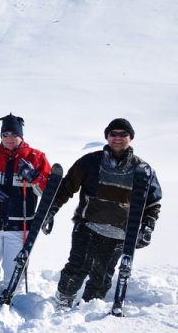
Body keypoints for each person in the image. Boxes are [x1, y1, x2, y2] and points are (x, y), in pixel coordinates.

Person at [43, 118, 162, 307]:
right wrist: (50, 211)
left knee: (102, 275)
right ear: (107, 136)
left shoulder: (142, 170)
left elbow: (153, 203)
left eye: (123, 134)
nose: (118, 138)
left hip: (120, 233)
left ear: (131, 138)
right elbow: (66, 188)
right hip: (87, 226)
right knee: (76, 267)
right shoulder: (90, 161)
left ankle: (90, 308)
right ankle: (62, 303)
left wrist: (147, 227)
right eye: (113, 134)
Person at [0, 114, 52, 297]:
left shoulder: (37, 157)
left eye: (13, 134)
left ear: (21, 136)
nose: (9, 139)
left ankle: (11, 299)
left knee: (13, 266)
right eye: (5, 134)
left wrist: (34, 178)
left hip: (20, 224)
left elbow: (48, 192)